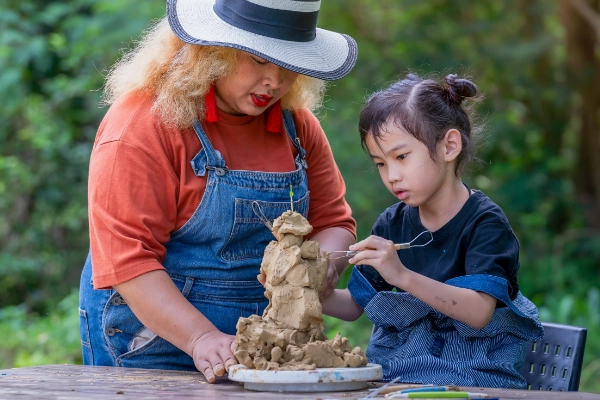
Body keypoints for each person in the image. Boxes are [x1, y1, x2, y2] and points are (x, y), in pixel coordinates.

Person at [79, 0, 358, 383]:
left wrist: (320, 268)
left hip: (266, 340)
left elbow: (335, 222)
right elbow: (128, 261)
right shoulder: (142, 124)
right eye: (260, 60)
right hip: (153, 339)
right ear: (212, 51)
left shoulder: (298, 126)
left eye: (288, 63)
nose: (275, 81)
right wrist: (200, 338)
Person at [322, 73, 544, 388]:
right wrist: (309, 290)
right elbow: (353, 306)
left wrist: (402, 276)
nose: (392, 175)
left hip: (476, 379)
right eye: (381, 164)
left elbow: (479, 312)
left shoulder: (485, 223)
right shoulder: (392, 223)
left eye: (401, 156)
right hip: (401, 375)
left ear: (449, 146)